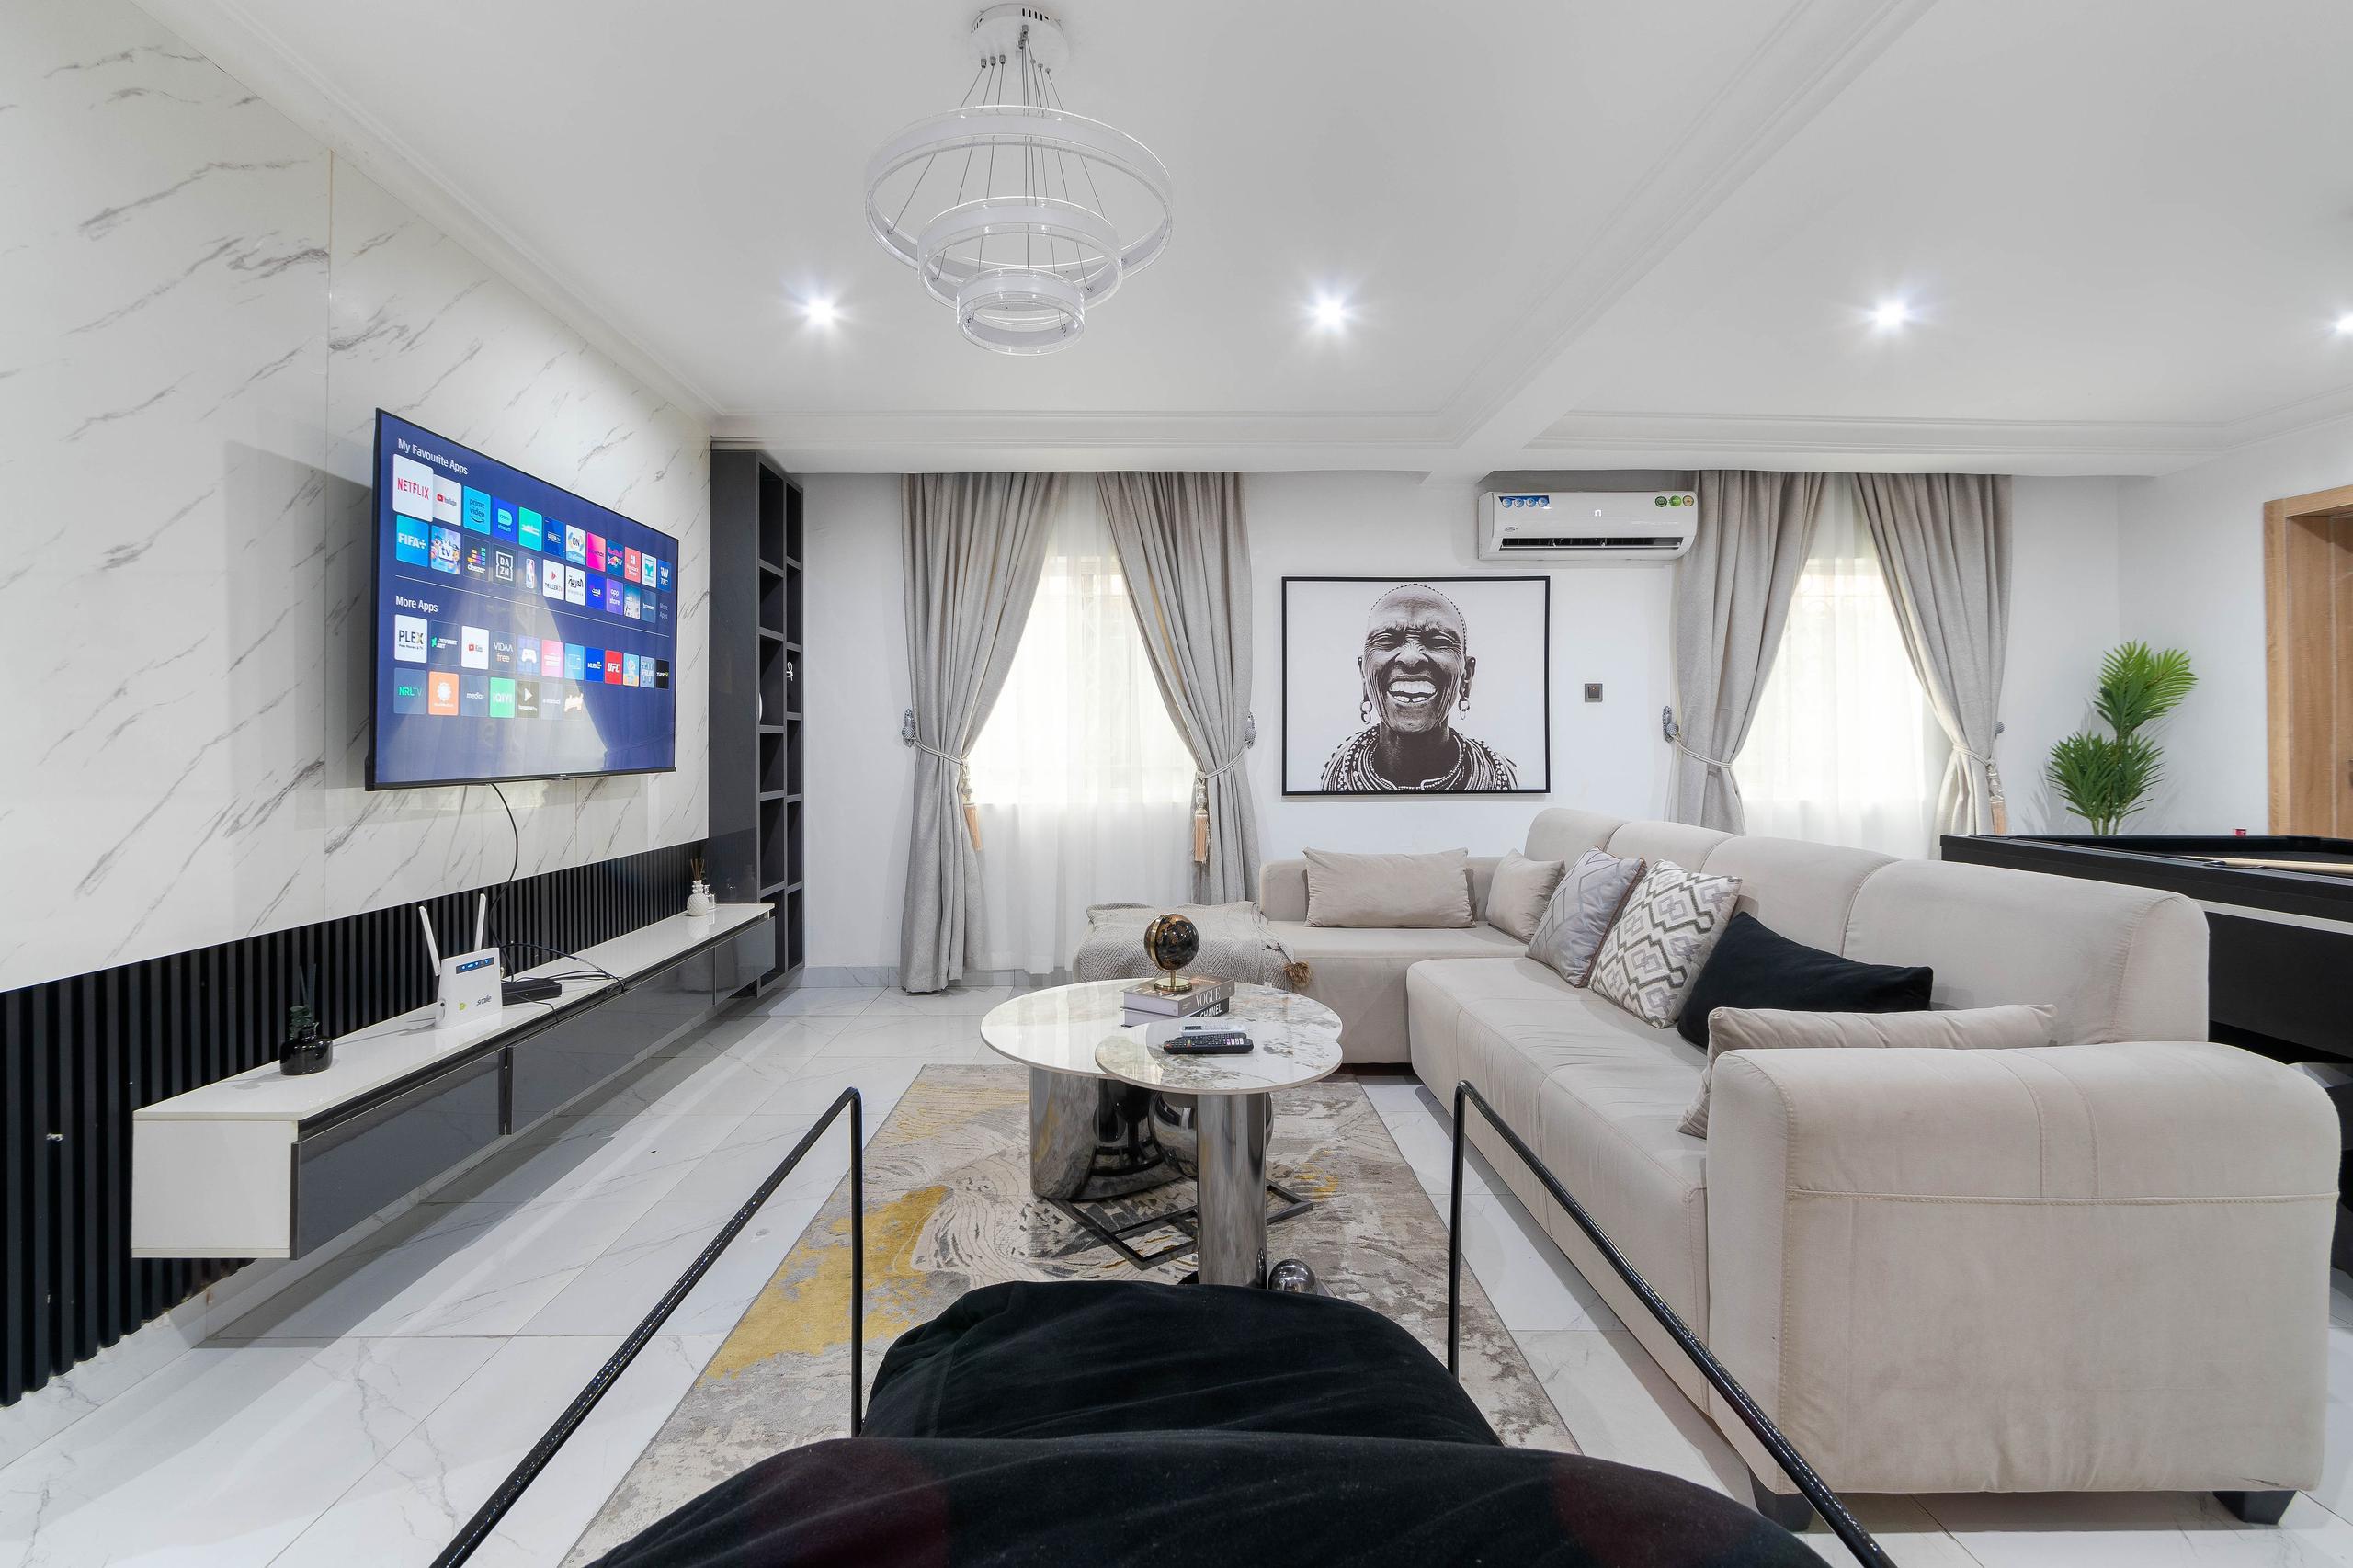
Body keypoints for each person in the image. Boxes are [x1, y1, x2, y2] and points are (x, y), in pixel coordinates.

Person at [1319, 583, 1518, 791]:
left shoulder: (1504, 777)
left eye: (1438, 640)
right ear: (1364, 676)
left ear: (1465, 677)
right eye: (1387, 640)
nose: (1411, 657)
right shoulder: (1329, 780)